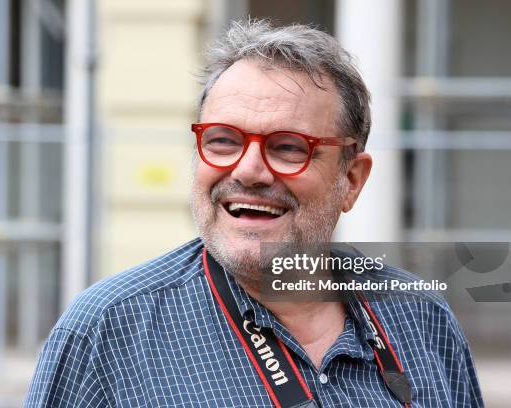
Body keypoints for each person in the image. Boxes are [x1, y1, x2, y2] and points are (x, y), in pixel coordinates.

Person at [25, 20, 483, 407]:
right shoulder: (107, 332)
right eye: (223, 140)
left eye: (288, 147)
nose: (248, 170)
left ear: (351, 180)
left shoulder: (421, 317)